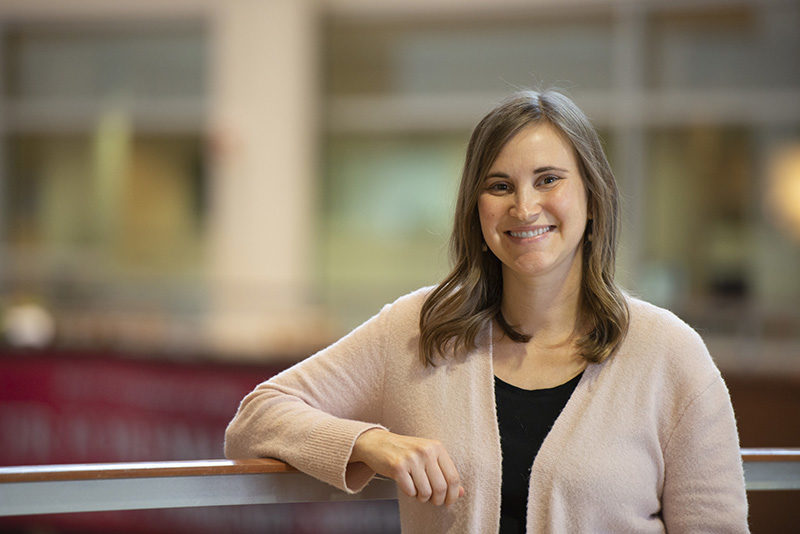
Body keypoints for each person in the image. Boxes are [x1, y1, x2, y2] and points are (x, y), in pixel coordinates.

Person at [225, 90, 749, 533]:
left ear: (594, 196)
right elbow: (255, 418)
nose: (524, 207)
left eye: (549, 179)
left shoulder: (669, 354)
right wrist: (372, 443)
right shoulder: (419, 330)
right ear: (476, 211)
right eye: (499, 186)